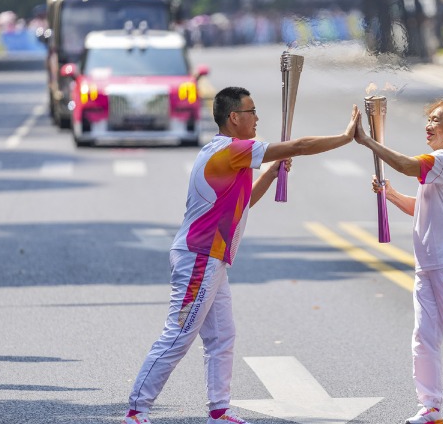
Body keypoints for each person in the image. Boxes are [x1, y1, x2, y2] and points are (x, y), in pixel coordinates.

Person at [123, 86, 360, 424]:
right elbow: (301, 145)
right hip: (199, 257)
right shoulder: (230, 150)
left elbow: (244, 205)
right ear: (234, 118)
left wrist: (273, 172)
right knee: (178, 334)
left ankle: (219, 411)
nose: (257, 118)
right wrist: (345, 137)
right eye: (251, 112)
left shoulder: (232, 156)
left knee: (222, 336)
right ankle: (136, 410)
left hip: (211, 259)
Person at [353, 98, 443, 424]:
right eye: (429, 120)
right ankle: (431, 407)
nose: (429, 125)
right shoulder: (438, 164)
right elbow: (421, 207)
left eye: (437, 120)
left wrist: (369, 142)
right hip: (428, 264)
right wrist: (391, 195)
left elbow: (407, 165)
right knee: (424, 337)